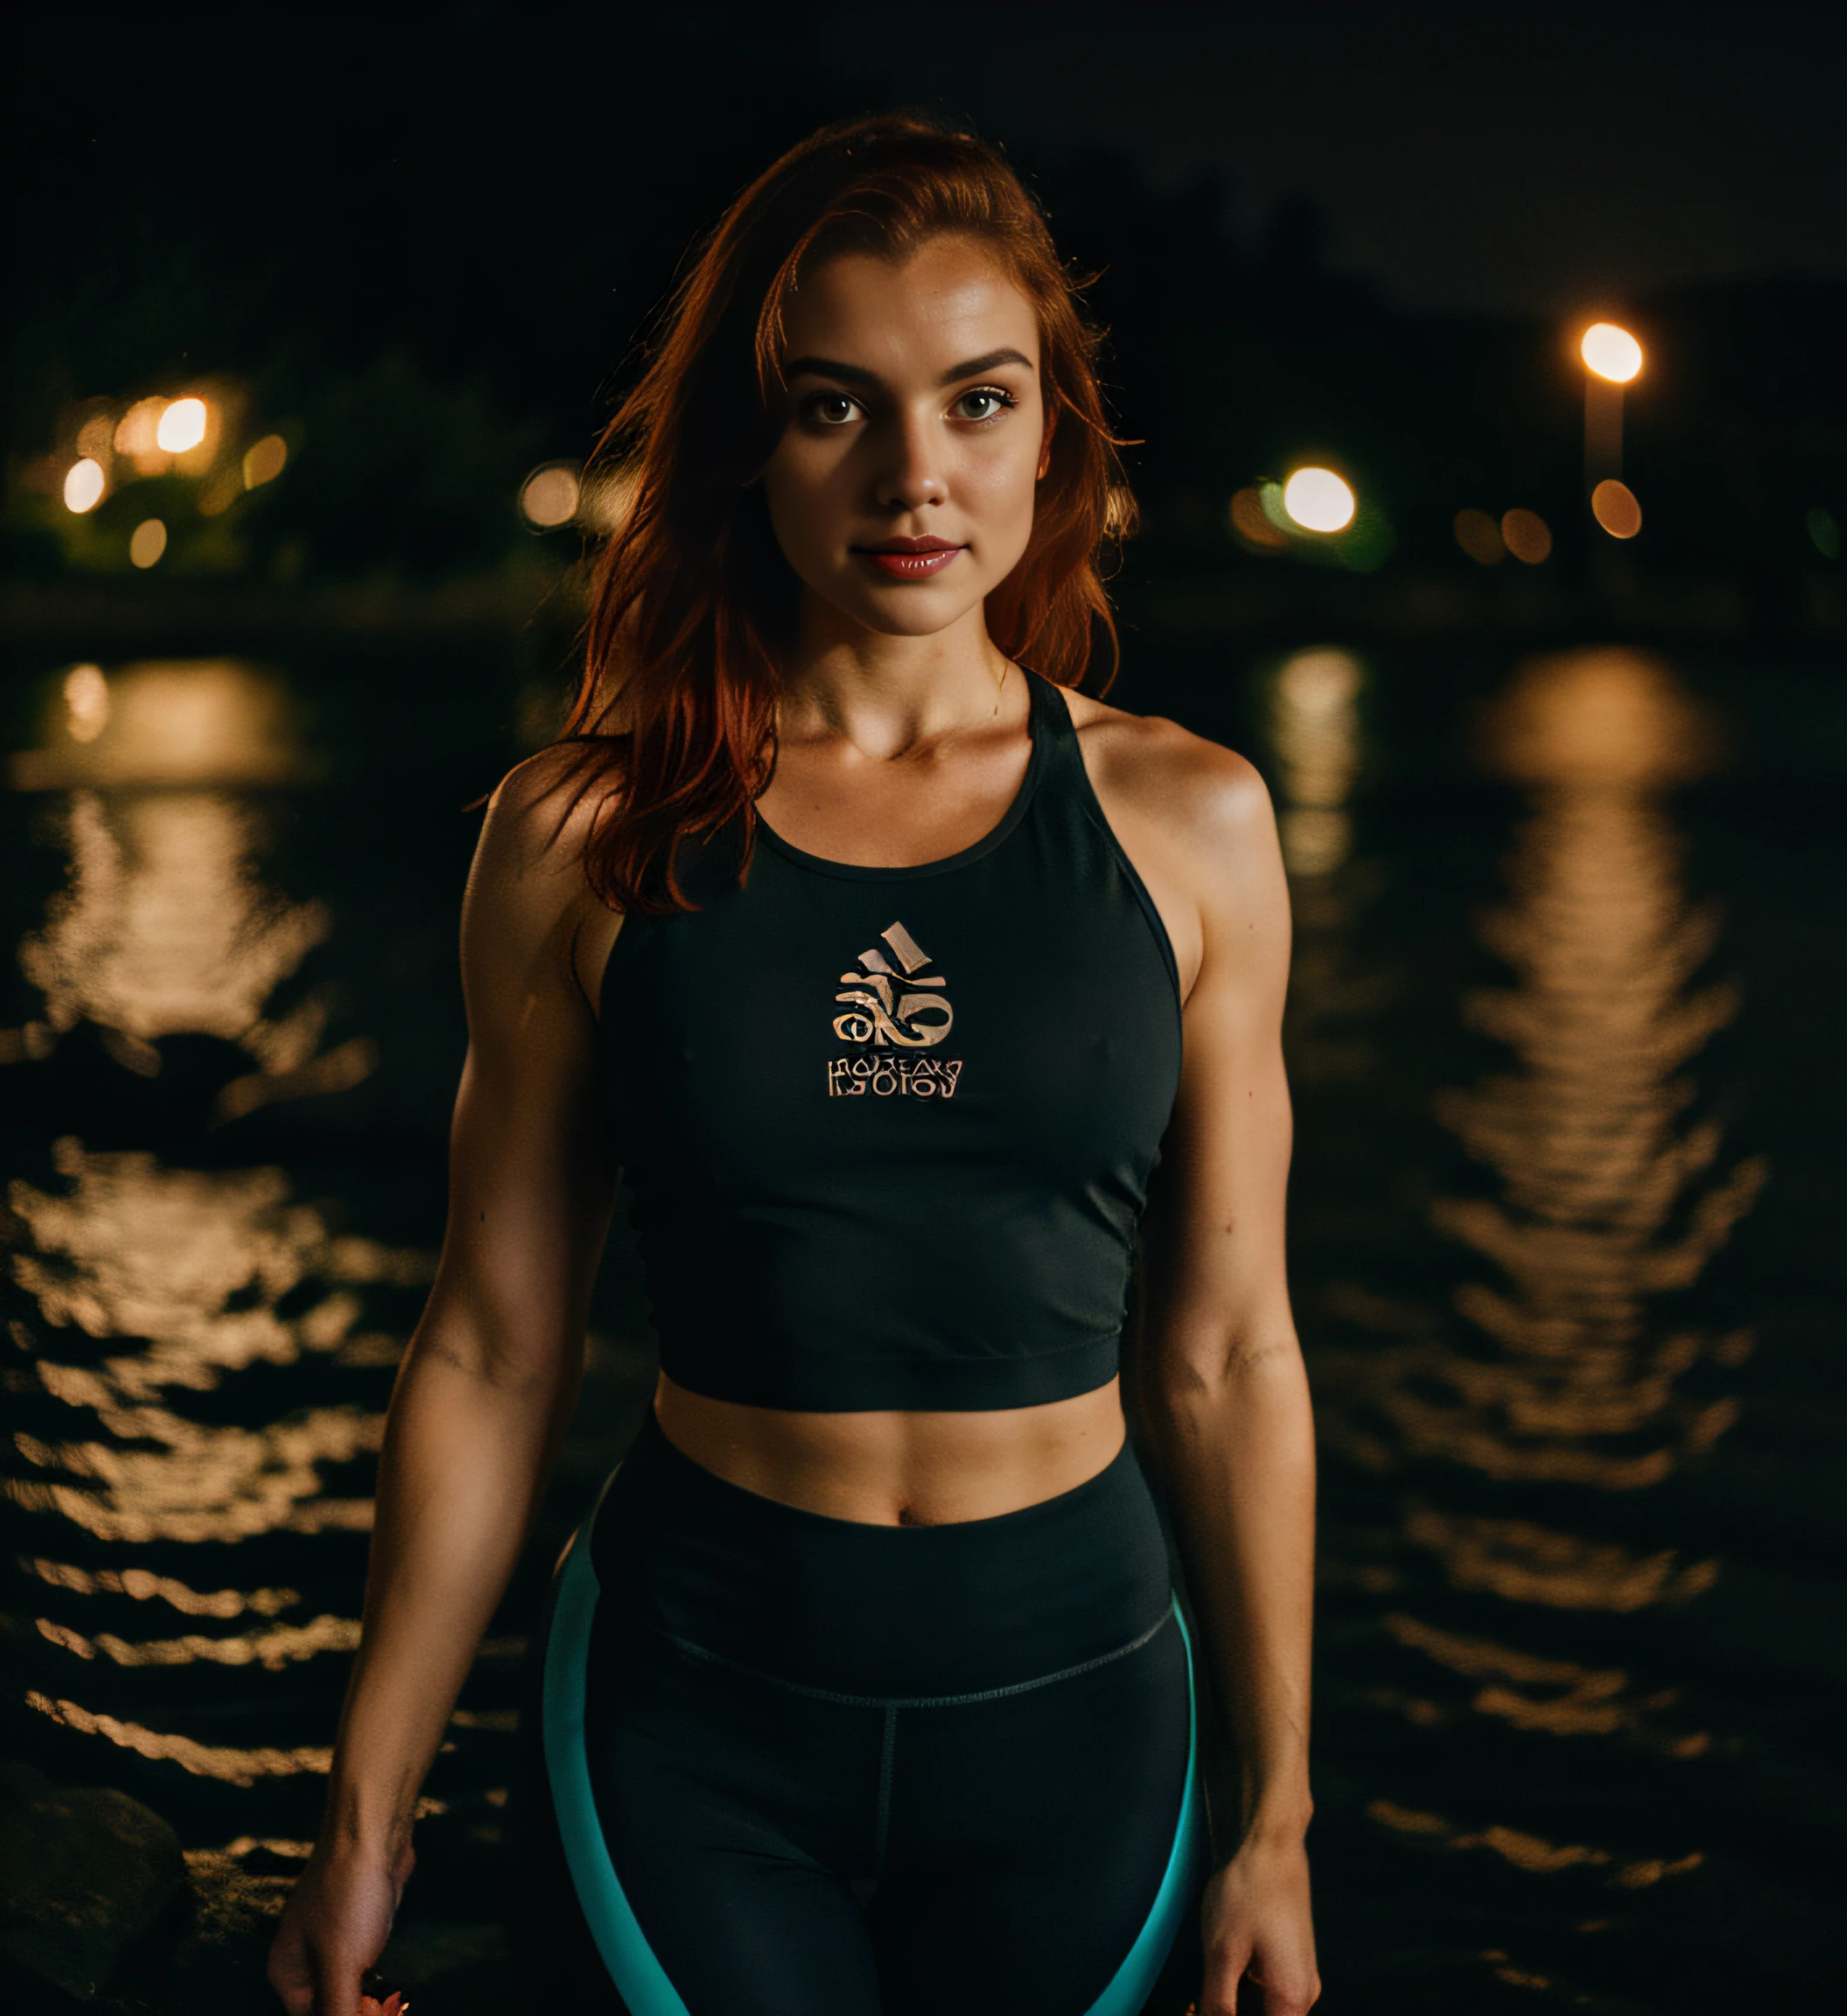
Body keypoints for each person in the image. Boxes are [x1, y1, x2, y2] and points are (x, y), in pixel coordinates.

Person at [269, 112, 1319, 2016]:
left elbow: (1232, 1350)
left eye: (980, 403)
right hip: (694, 1717)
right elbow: (495, 1349)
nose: (918, 475)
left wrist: (1278, 1824)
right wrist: (364, 1825)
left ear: (1055, 434)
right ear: (747, 442)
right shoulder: (582, 831)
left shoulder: (1193, 823)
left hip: (1076, 1725)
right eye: (837, 405)